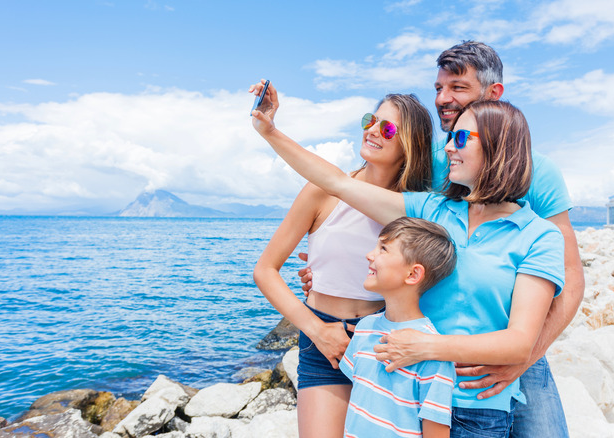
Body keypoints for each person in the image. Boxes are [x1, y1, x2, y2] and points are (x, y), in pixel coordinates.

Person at [298, 41, 584, 437]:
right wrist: (331, 266)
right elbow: (365, 199)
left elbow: (570, 279)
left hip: (493, 348)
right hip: (415, 351)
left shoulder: (536, 173)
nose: (444, 100)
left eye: (458, 88)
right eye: (438, 88)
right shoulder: (425, 157)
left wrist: (525, 357)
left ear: (493, 94)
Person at [250, 80, 434, 438]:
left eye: (388, 128)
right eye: (370, 120)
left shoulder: (412, 209)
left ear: (410, 146)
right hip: (322, 339)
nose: (373, 131)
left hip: (383, 341)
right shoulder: (322, 191)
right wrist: (317, 330)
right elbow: (265, 270)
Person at [339, 217, 457, 438]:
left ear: (413, 274)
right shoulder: (364, 327)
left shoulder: (434, 353)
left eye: (383, 249)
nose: (369, 255)